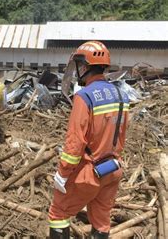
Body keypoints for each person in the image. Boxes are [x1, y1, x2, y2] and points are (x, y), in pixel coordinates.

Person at [48, 41, 130, 239]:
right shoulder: (122, 95)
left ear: (84, 67)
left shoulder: (84, 97)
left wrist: (63, 173)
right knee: (101, 218)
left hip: (89, 173)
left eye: (79, 67)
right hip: (113, 169)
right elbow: (121, 135)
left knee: (58, 214)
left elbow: (75, 143)